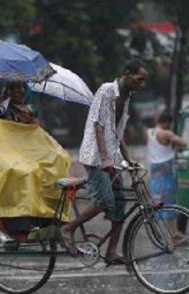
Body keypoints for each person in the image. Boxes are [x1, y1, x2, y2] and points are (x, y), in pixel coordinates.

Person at [60, 59, 148, 266]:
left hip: (112, 159)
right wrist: (105, 158)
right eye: (139, 78)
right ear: (127, 73)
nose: (141, 84)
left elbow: (117, 134)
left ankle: (111, 252)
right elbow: (98, 125)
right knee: (104, 201)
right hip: (95, 157)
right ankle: (68, 229)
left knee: (119, 206)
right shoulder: (107, 90)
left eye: (144, 81)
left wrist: (128, 159)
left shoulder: (126, 97)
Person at [146, 113, 187, 236]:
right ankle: (173, 231)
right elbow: (184, 143)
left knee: (157, 200)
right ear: (168, 123)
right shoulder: (166, 134)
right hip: (166, 170)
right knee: (169, 201)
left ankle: (157, 232)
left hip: (154, 171)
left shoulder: (149, 132)